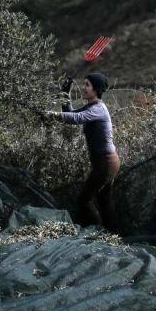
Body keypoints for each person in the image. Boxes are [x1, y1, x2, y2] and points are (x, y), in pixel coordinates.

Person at [49, 73, 120, 232]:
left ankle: (99, 233)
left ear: (96, 89)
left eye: (87, 85)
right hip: (104, 162)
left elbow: (77, 118)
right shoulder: (91, 106)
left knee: (84, 200)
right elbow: (71, 113)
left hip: (106, 162)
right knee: (104, 201)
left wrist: (50, 115)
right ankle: (114, 234)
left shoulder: (98, 109)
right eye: (84, 84)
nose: (84, 88)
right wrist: (65, 94)